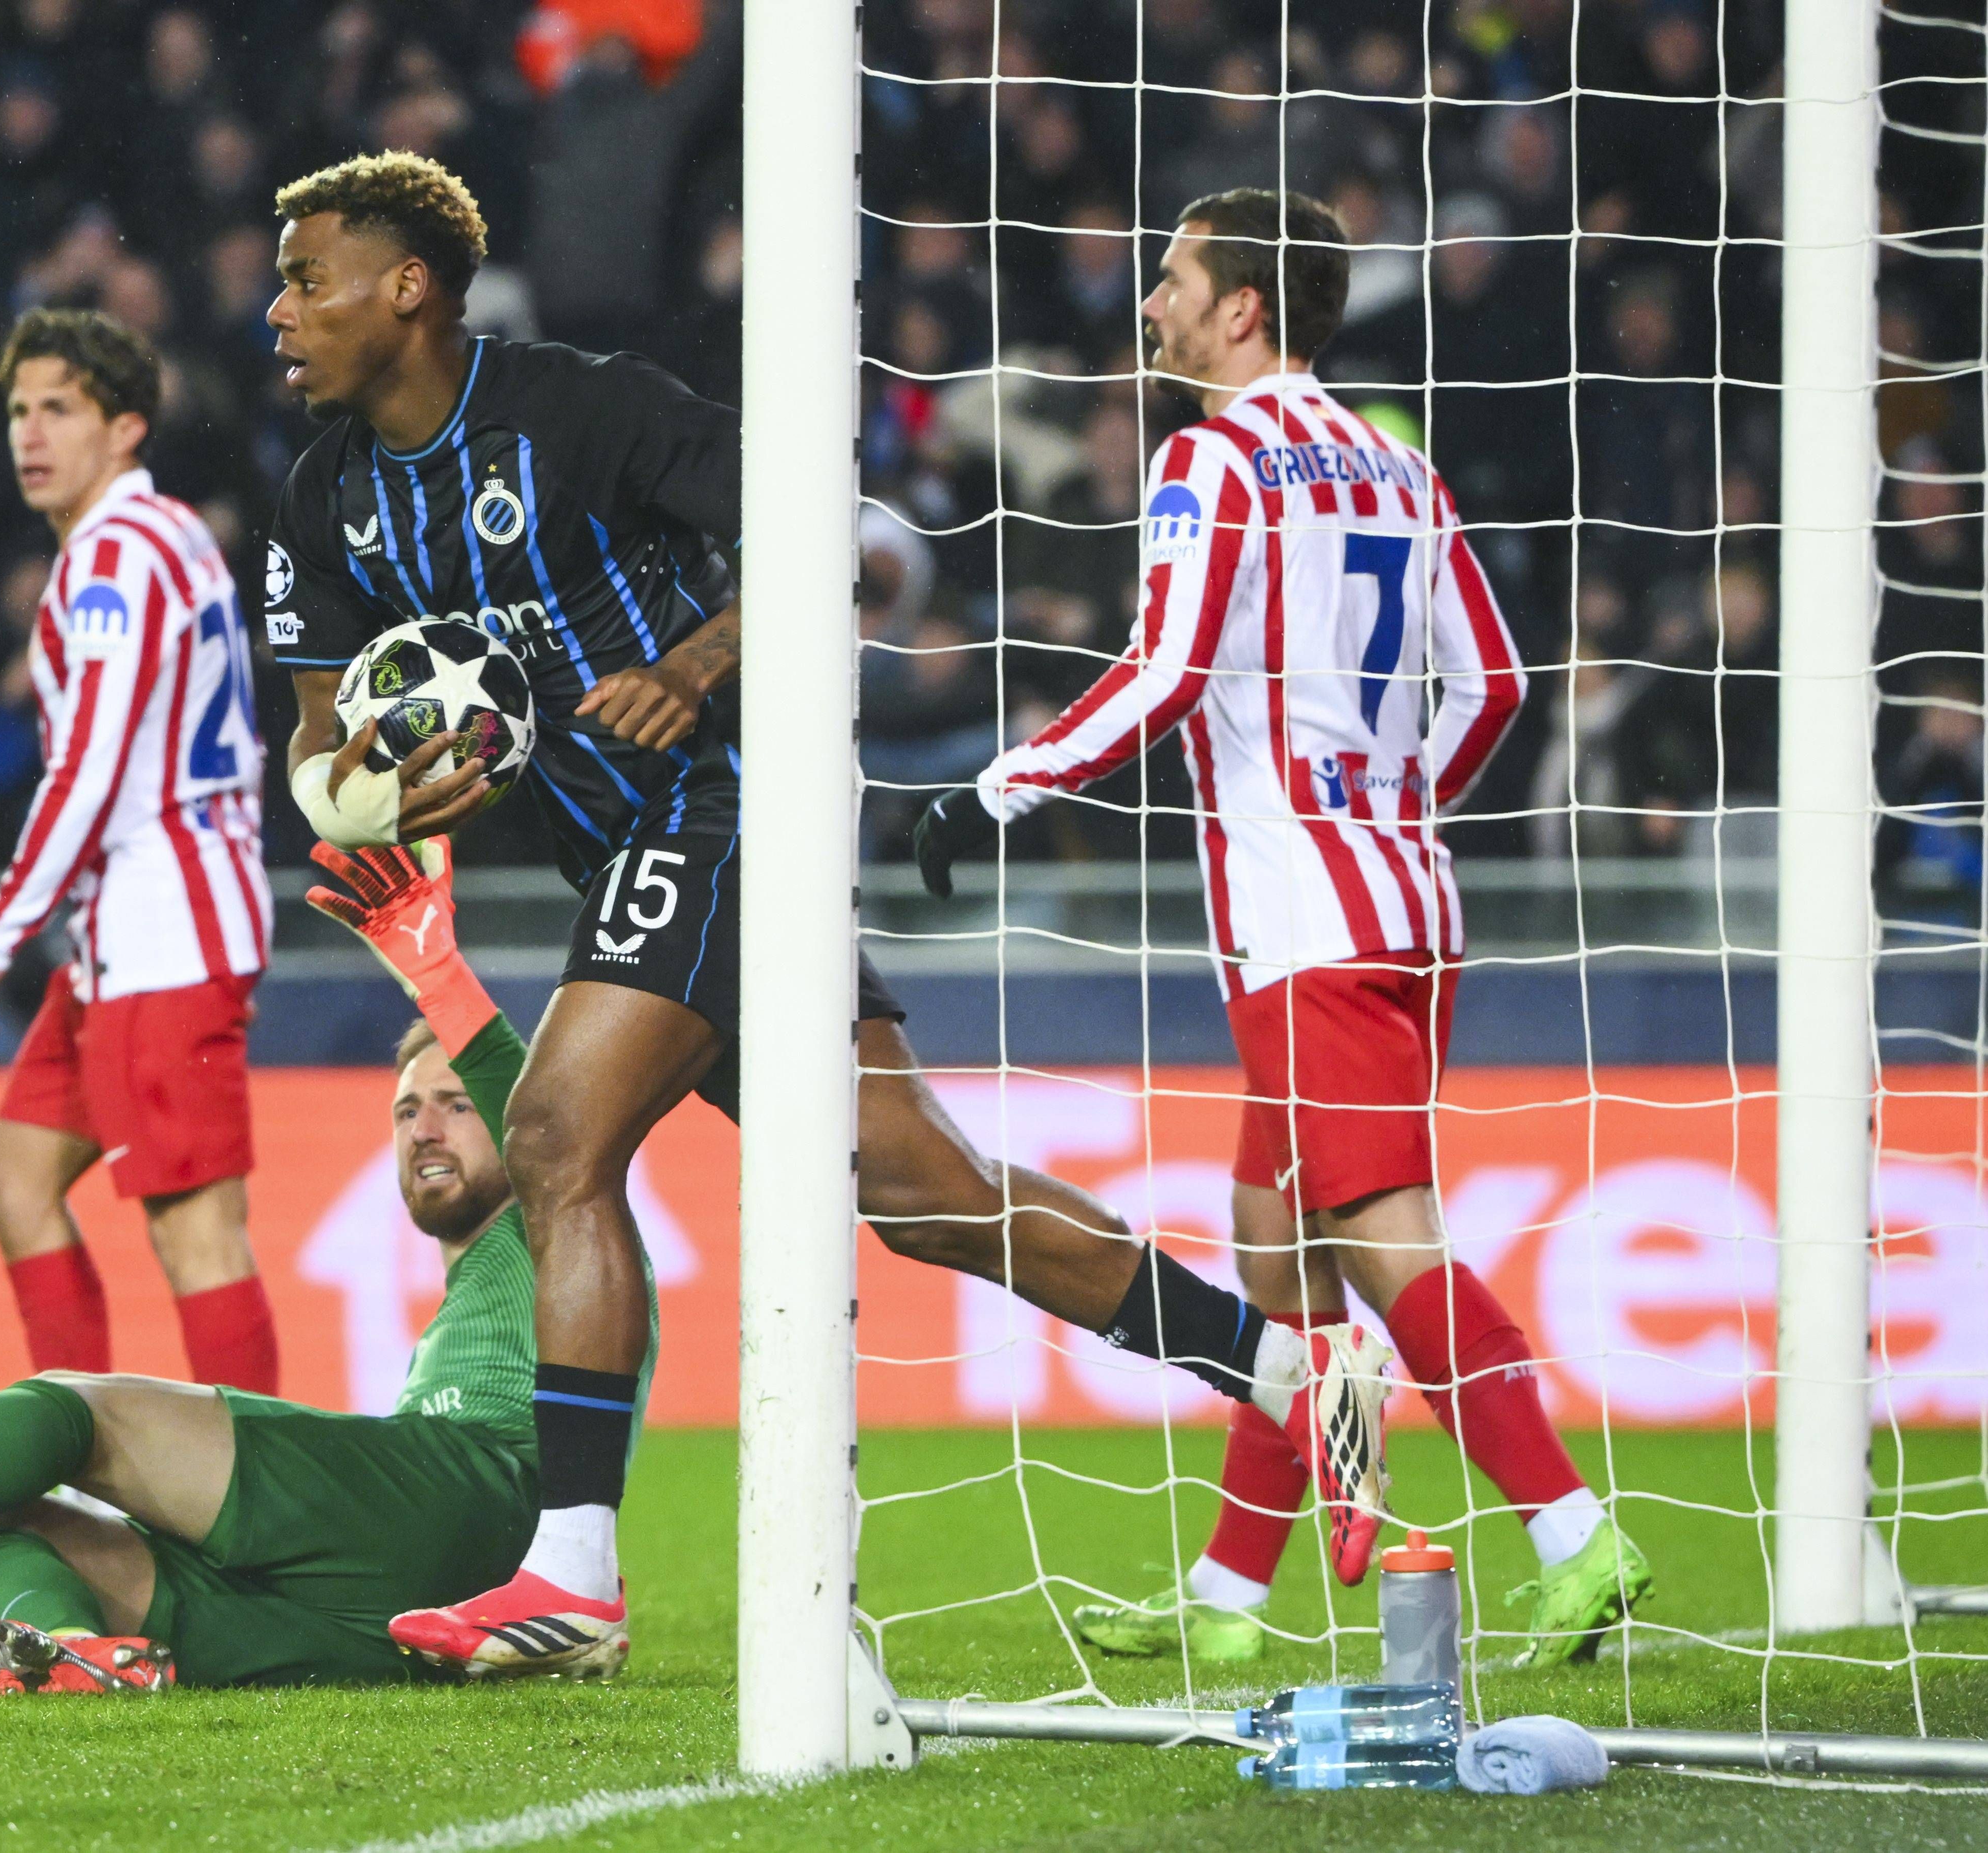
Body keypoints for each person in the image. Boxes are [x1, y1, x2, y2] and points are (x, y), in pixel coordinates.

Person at [260, 152, 1388, 1680]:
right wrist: (371, 797)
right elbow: (319, 745)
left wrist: (697, 662)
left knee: (554, 1138)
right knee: (926, 1191)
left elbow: (840, 540)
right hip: (619, 858)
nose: (279, 311)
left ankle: (573, 1573)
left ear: (406, 288)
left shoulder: (579, 410)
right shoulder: (319, 499)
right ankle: (1291, 1368)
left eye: (306, 278)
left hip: (719, 806)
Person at [916, 187, 1652, 1667]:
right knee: (1279, 1253)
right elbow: (1496, 682)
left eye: (1173, 279)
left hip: (1306, 922)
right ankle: (1232, 1594)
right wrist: (1390, 804)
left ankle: (1575, 1531)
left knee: (1384, 1239)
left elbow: (1168, 667)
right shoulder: (1397, 457)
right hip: (1407, 900)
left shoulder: (1211, 456)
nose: (1151, 304)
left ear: (1242, 307)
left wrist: (994, 787)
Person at [0, 839, 654, 1690]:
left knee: (78, 1411)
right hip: (417, 1610)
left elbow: (538, 1109)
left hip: (485, 1500)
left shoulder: (570, 1221)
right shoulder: (475, 1300)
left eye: (455, 1104)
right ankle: (64, 1648)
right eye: (406, 1109)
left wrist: (435, 969)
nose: (424, 1126)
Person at [0, 308, 279, 1399]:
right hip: (127, 935)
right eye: (18, 411)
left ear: (127, 427)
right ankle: (80, 1457)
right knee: (17, 1182)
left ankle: (269, 1493)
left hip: (165, 922)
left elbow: (90, 765)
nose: (30, 434)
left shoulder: (114, 559)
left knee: (197, 1233)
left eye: (60, 409)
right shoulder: (169, 535)